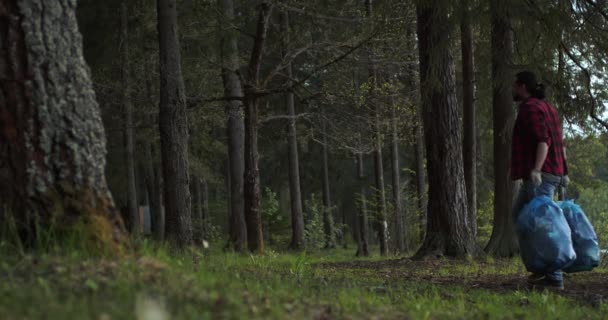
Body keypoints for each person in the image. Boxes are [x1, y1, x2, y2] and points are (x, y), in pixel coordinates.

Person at [511, 71, 570, 290]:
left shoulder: (530, 108)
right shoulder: (548, 108)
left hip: (541, 176)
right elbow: (560, 142)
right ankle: (540, 268)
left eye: (515, 86)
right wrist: (564, 170)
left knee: (542, 224)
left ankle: (554, 277)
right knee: (519, 217)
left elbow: (544, 141)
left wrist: (536, 169)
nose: (513, 90)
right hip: (549, 173)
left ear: (523, 86)